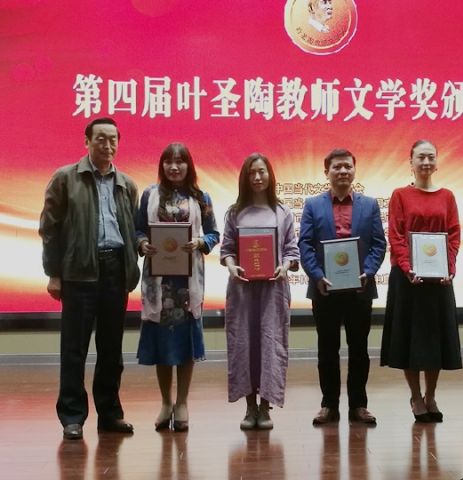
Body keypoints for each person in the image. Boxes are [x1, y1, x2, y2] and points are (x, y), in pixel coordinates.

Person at [39, 117, 140, 440]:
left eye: (113, 139)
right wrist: (54, 273)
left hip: (115, 272)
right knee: (74, 349)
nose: (107, 145)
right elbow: (49, 229)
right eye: (100, 139)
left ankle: (110, 414)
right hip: (78, 273)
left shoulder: (127, 184)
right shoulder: (66, 178)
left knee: (111, 350)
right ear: (87, 142)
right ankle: (72, 417)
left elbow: (131, 230)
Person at [299, 148, 387, 426]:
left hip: (359, 289)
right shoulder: (312, 205)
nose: (343, 171)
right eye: (337, 167)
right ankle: (329, 405)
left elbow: (379, 244)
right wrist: (317, 276)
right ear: (327, 172)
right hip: (324, 289)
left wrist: (367, 272)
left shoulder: (369, 205)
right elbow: (305, 244)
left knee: (359, 349)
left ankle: (359, 405)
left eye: (348, 166)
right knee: (327, 350)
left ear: (354, 170)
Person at [136, 143, 219, 432]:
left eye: (180, 161)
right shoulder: (149, 195)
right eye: (168, 161)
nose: (174, 167)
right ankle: (165, 402)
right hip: (158, 283)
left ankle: (182, 402)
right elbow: (137, 230)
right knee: (162, 342)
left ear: (188, 165)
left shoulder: (201, 197)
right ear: (162, 165)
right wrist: (142, 244)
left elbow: (214, 233)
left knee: (185, 343)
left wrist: (200, 242)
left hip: (187, 284)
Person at [380, 140, 462, 423]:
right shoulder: (400, 195)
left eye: (430, 157)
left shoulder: (447, 196)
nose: (426, 162)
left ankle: (431, 395)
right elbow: (396, 235)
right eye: (420, 157)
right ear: (411, 162)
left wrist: (449, 267)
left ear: (436, 162)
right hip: (408, 280)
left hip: (439, 280)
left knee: (434, 340)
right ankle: (415, 396)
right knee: (410, 340)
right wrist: (407, 267)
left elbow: (453, 235)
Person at [220, 153, 300, 430]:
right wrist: (231, 266)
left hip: (273, 290)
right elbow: (227, 249)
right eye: (252, 172)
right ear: (245, 177)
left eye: (261, 171)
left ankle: (266, 407)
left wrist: (285, 266)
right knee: (243, 345)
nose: (257, 177)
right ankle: (249, 407)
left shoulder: (283, 212)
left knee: (270, 344)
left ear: (270, 175)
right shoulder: (234, 212)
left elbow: (291, 249)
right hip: (242, 290)